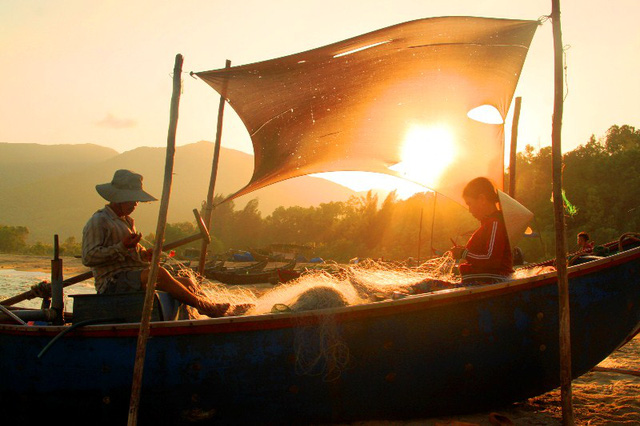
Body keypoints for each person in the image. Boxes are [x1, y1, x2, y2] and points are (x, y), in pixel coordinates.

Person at [82, 169, 231, 317]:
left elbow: (131, 254)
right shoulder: (99, 220)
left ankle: (211, 307)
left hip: (132, 277)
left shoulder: (126, 222)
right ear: (118, 198)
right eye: (132, 200)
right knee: (158, 273)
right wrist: (122, 247)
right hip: (112, 282)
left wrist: (144, 254)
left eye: (137, 200)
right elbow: (88, 257)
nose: (135, 204)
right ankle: (204, 307)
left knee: (187, 283)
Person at [451, 177, 513, 284]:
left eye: (469, 203)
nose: (469, 210)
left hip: (493, 281)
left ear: (482, 199)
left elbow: (491, 259)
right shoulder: (489, 224)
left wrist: (463, 253)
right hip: (485, 280)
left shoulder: (495, 224)